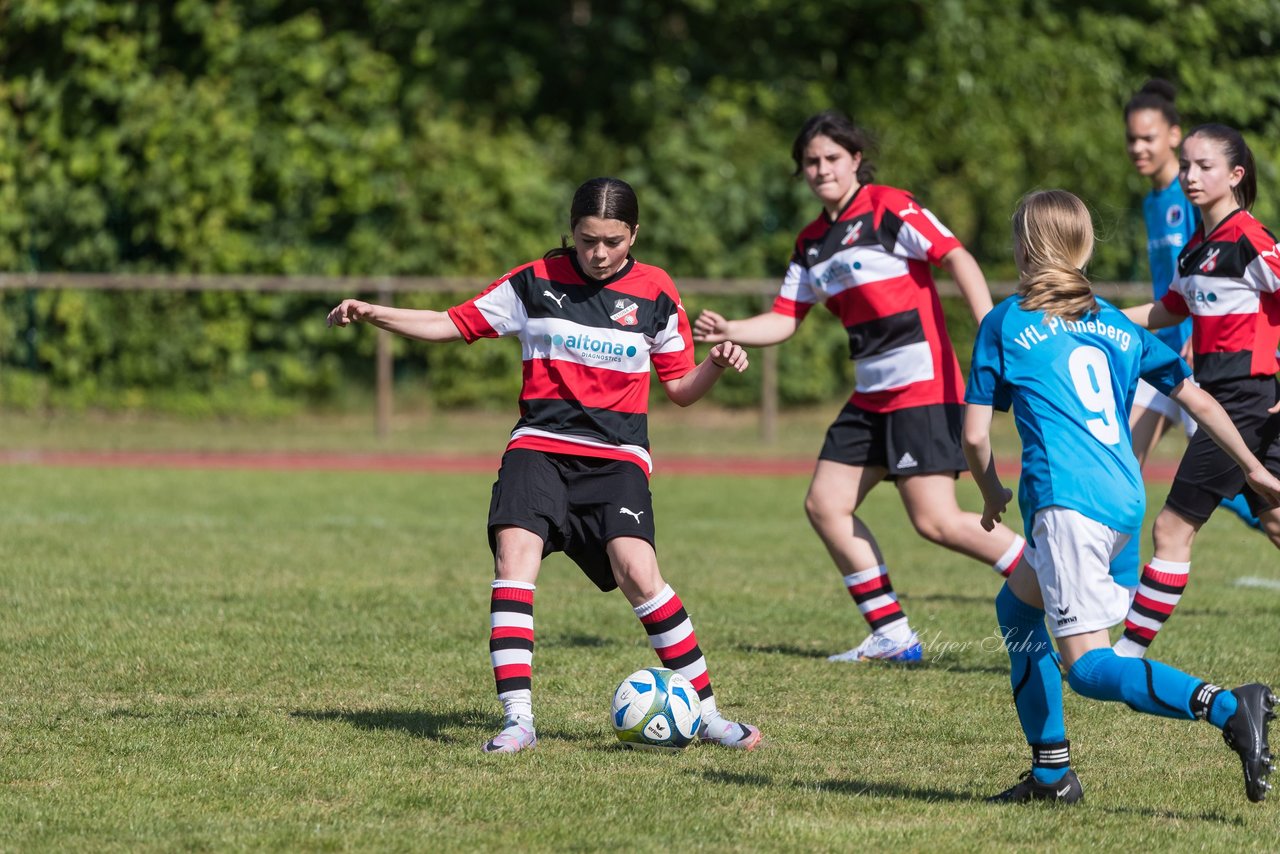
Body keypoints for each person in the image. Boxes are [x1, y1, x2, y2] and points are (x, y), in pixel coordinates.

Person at [327, 177, 762, 754]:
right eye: (587, 240)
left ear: (635, 234)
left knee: (638, 569)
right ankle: (518, 721)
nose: (599, 253)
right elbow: (451, 323)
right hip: (539, 446)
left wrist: (715, 362)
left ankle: (707, 715)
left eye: (612, 240)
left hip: (617, 458)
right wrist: (374, 312)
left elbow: (679, 387)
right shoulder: (535, 281)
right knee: (515, 555)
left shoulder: (657, 293)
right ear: (572, 231)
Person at [963, 189, 1278, 804]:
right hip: (1123, 497)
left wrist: (991, 490)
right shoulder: (1111, 321)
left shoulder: (1005, 321)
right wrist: (1253, 469)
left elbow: (975, 434)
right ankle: (1052, 775)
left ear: (1024, 246)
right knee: (1017, 610)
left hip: (1067, 505)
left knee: (1087, 669)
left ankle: (1226, 705)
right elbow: (1198, 398)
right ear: (1083, 246)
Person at [694, 110, 1028, 663]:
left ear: (854, 159)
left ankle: (1051, 578)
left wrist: (992, 333)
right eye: (810, 162)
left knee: (936, 520)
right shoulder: (811, 242)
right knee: (825, 504)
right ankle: (892, 635)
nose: (821, 169)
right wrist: (733, 330)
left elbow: (957, 258)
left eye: (831, 158)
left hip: (922, 384)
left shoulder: (887, 207)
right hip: (871, 395)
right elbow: (784, 317)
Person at [1116, 123, 1280, 660]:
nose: (1190, 175)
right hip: (1229, 399)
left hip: (1242, 403)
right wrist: (1096, 318)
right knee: (1275, 520)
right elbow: (1168, 311)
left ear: (1235, 175)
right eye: (1185, 165)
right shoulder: (1197, 248)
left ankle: (1128, 653)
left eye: (1203, 166)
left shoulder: (1249, 240)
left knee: (1171, 528)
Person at [1123, 80, 1259, 533]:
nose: (1139, 147)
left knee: (1235, 484)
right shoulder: (1152, 202)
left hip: (1198, 357)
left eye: (1149, 137)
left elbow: (1218, 288)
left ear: (1174, 135)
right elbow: (1174, 296)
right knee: (1125, 469)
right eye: (1132, 138)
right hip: (1165, 349)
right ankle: (1114, 592)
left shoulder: (1197, 199)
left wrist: (1198, 342)